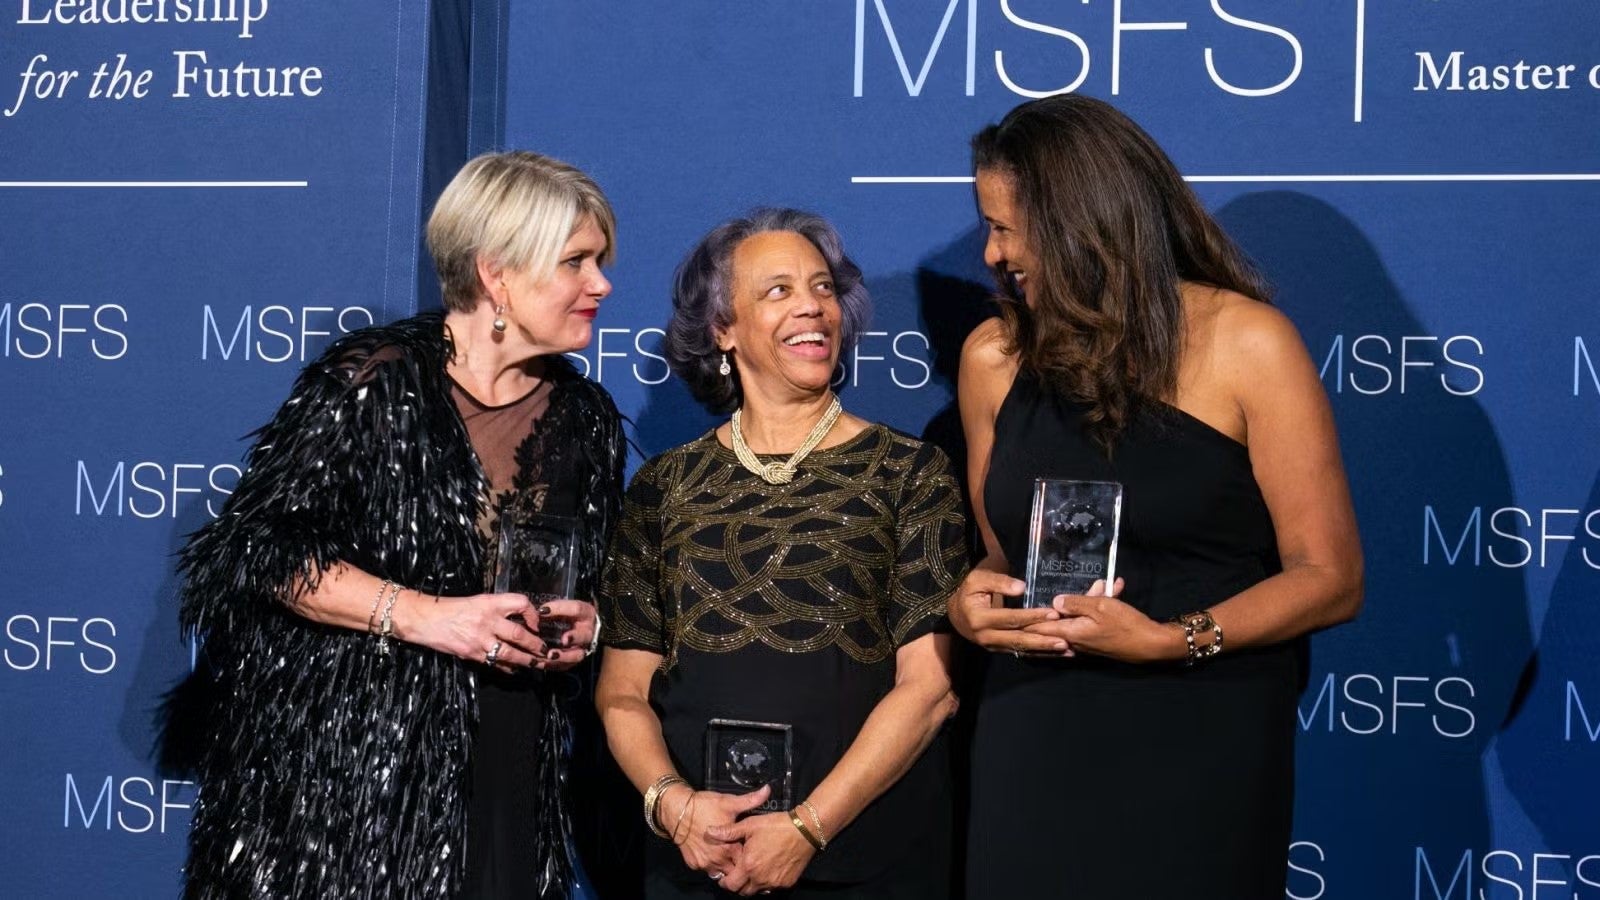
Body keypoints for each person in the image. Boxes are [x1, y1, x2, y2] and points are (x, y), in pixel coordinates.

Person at [176, 150, 626, 899]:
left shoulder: (587, 419)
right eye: (577, 261)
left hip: (508, 754)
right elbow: (259, 549)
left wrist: (591, 625)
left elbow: (598, 580)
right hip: (350, 774)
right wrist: (429, 618)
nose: (601, 284)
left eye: (600, 261)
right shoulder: (374, 382)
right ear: (497, 274)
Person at [951, 96, 1363, 899]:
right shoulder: (993, 356)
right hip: (1033, 730)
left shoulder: (1247, 343)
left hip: (1201, 730)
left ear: (1078, 221)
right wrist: (971, 603)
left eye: (1004, 226)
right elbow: (1005, 554)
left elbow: (1329, 575)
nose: (992, 253)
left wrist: (1175, 641)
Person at [595, 209, 969, 898]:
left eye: (823, 288)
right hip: (695, 860)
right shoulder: (664, 485)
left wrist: (806, 828)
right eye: (778, 291)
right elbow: (622, 693)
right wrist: (676, 808)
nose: (811, 307)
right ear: (722, 330)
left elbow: (932, 688)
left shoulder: (910, 473)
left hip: (865, 857)